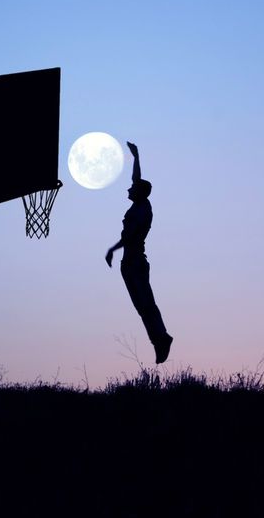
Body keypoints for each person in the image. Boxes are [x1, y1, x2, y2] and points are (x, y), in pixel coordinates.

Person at [105, 141, 173, 364]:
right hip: (130, 263)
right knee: (142, 307)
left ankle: (161, 339)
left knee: (146, 304)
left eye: (132, 189)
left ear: (139, 193)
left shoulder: (143, 209)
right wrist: (136, 157)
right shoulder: (140, 204)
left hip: (135, 262)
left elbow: (130, 237)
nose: (128, 189)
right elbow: (136, 180)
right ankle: (159, 340)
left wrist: (112, 249)